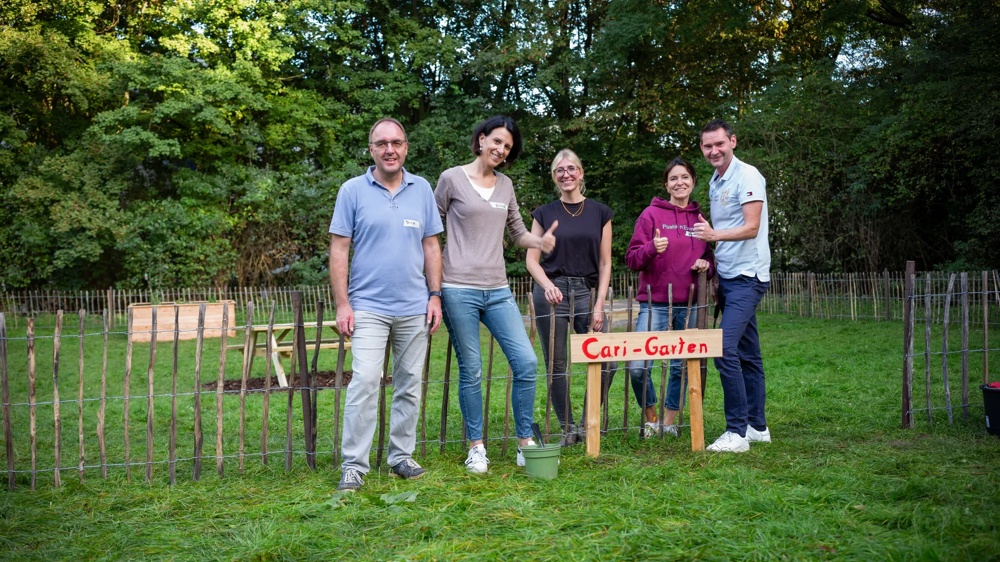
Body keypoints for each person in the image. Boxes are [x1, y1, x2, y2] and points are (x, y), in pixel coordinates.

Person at [435, 115, 557, 473]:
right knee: (471, 369)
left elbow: (518, 232)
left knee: (527, 362)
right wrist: (432, 281)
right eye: (497, 142)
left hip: (499, 289)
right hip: (458, 288)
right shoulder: (451, 179)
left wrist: (539, 241)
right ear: (482, 139)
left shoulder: (505, 185)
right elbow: (430, 227)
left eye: (507, 147)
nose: (501, 150)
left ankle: (524, 442)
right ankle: (476, 447)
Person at [329, 117, 444, 491]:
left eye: (396, 142)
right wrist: (343, 305)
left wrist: (435, 294)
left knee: (409, 383)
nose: (389, 149)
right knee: (364, 381)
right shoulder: (352, 191)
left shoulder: (422, 188)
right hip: (368, 307)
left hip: (414, 306)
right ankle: (354, 465)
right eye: (381, 143)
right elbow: (339, 249)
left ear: (406, 147)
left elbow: (431, 246)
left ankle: (400, 457)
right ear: (371, 150)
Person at [526, 149, 617, 446]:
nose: (566, 174)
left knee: (607, 362)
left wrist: (600, 304)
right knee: (557, 364)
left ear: (581, 173)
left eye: (571, 169)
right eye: (559, 170)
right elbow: (532, 260)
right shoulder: (544, 213)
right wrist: (546, 284)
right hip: (552, 292)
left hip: (587, 292)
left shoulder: (600, 213)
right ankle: (567, 429)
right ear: (554, 177)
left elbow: (605, 263)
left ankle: (585, 422)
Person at [692, 119, 771, 453]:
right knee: (748, 356)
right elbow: (726, 230)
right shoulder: (714, 180)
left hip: (749, 277)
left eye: (719, 144)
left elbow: (751, 227)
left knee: (723, 349)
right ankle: (757, 427)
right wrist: (717, 277)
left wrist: (714, 236)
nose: (714, 151)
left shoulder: (748, 175)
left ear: (733, 141)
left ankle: (736, 433)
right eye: (708, 146)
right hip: (728, 279)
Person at [625, 157, 713, 439]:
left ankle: (669, 421)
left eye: (685, 177)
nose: (680, 183)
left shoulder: (700, 220)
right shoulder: (651, 215)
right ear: (666, 184)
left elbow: (712, 259)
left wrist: (706, 265)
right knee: (638, 367)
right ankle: (651, 419)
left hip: (689, 304)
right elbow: (632, 259)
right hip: (656, 303)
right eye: (674, 178)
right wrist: (651, 247)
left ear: (693, 181)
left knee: (680, 366)